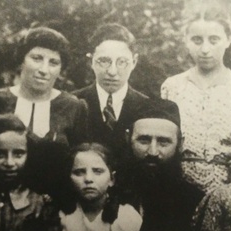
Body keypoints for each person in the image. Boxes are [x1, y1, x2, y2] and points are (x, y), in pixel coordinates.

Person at [160, 5, 231, 193]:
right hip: (179, 194)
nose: (205, 49)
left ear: (228, 40)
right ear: (186, 40)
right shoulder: (172, 87)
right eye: (197, 40)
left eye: (214, 40)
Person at [0, 27, 88, 147]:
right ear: (22, 61)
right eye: (37, 59)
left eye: (53, 63)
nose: (44, 70)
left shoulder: (74, 107)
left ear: (60, 69)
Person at [74, 23, 177, 158]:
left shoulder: (148, 108)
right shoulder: (73, 103)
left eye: (122, 62)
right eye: (104, 61)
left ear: (134, 62)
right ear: (90, 61)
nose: (112, 71)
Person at [119, 100, 204, 231]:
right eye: (143, 140)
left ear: (180, 144)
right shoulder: (108, 193)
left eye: (163, 142)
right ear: (127, 138)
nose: (152, 151)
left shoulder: (194, 201)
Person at [59, 143, 142, 231]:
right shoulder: (61, 217)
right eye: (79, 172)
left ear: (112, 179)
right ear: (69, 179)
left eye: (98, 171)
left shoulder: (126, 216)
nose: (88, 179)